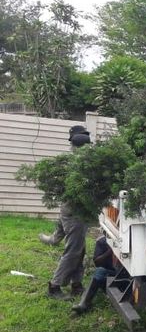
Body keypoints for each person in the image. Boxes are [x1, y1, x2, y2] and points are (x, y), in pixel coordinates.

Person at [44, 125, 92, 300]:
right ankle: (54, 287)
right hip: (75, 213)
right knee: (73, 251)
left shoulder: (76, 161)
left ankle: (76, 285)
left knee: (79, 250)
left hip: (73, 211)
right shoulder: (80, 164)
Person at [72, 234, 114, 315]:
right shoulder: (102, 241)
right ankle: (84, 303)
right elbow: (97, 262)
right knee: (100, 270)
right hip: (109, 275)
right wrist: (110, 252)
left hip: (125, 275)